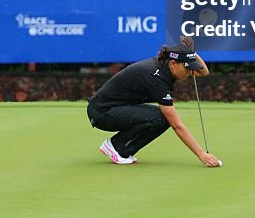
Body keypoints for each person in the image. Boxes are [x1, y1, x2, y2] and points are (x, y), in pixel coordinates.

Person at [87, 37, 221, 166]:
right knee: (160, 117)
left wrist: (191, 53)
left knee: (161, 117)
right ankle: (116, 146)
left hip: (114, 108)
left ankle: (121, 149)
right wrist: (201, 154)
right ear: (173, 64)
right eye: (187, 68)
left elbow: (204, 72)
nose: (190, 72)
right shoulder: (157, 78)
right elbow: (177, 125)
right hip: (101, 113)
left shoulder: (166, 66)